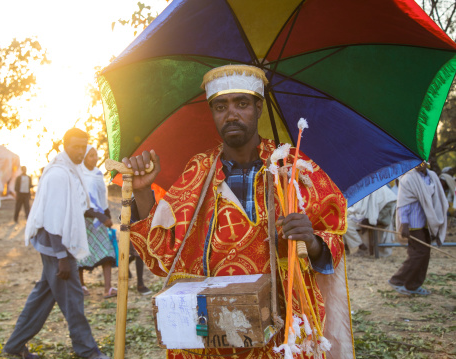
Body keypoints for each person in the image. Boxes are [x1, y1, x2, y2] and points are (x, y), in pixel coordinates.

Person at [123, 65, 352, 358]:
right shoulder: (198, 171)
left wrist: (312, 240)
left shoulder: (294, 168)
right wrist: (143, 190)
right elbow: (164, 257)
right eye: (220, 106)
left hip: (281, 335)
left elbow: (332, 237)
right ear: (213, 113)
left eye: (241, 104)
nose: (231, 114)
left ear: (259, 107)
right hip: (212, 339)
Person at [4, 128, 110, 359]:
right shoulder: (58, 174)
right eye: (76, 146)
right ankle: (87, 350)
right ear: (65, 145)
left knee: (43, 295)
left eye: (84, 146)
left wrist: (102, 217)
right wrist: (61, 256)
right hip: (56, 245)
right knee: (73, 298)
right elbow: (52, 220)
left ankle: (14, 345)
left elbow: (77, 207)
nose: (80, 151)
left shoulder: (70, 170)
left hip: (59, 245)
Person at [388, 162, 448, 296]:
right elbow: (403, 203)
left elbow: (436, 196)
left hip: (427, 222)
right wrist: (404, 224)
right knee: (418, 253)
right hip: (413, 224)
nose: (419, 165)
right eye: (416, 162)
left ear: (427, 163)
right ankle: (397, 280)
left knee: (425, 253)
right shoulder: (408, 178)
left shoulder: (431, 177)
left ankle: (413, 285)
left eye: (422, 162)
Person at [77, 145, 117, 298]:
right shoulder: (79, 175)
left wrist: (107, 216)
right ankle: (81, 286)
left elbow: (102, 198)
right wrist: (102, 217)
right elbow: (81, 203)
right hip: (84, 220)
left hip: (99, 221)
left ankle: (108, 288)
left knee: (106, 252)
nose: (95, 158)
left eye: (96, 155)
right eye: (91, 155)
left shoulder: (98, 174)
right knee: (81, 254)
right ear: (85, 157)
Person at [344, 185, 397, 257]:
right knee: (344, 224)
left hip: (378, 219)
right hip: (360, 217)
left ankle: (365, 249)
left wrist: (375, 218)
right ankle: (356, 247)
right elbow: (358, 207)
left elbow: (391, 200)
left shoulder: (382, 188)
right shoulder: (360, 188)